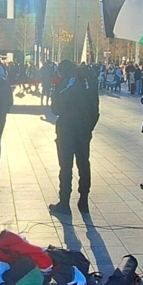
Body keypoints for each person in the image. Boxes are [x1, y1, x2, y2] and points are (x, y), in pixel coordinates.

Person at [48, 60, 100, 216]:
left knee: (66, 167)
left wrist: (54, 93)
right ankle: (83, 200)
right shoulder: (87, 85)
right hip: (83, 131)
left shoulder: (63, 85)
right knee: (84, 164)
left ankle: (64, 203)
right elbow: (95, 111)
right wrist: (88, 128)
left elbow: (56, 109)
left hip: (66, 131)